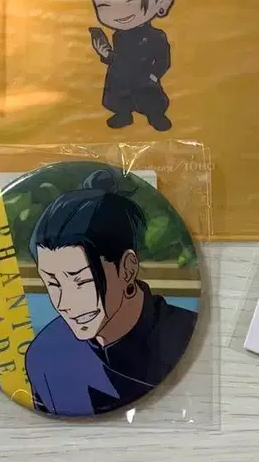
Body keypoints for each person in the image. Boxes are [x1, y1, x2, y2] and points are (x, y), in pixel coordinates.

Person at [24, 170, 197, 416]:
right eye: (53, 284)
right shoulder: (45, 356)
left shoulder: (182, 334)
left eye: (81, 281)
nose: (64, 303)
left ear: (127, 269)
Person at [80, 0, 183, 131]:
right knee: (119, 99)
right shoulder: (118, 35)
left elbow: (163, 59)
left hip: (145, 79)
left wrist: (154, 74)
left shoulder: (156, 37)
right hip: (120, 79)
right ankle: (123, 114)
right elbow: (118, 59)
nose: (118, 12)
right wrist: (106, 54)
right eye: (104, 3)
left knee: (151, 102)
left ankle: (156, 116)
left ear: (162, 2)